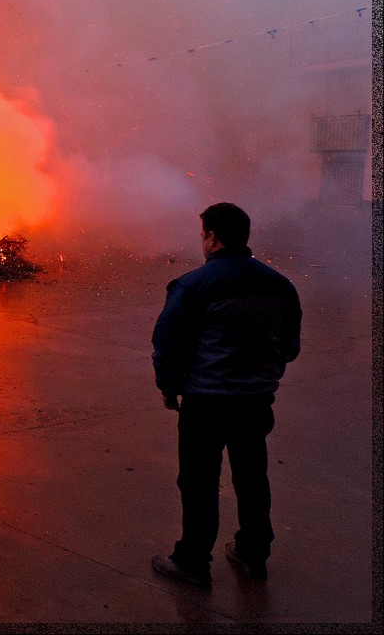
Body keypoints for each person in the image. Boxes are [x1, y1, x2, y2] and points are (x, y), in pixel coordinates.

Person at [151, 202, 301, 587]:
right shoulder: (280, 285)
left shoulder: (194, 285)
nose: (201, 240)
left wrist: (169, 387)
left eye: (203, 234)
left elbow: (168, 344)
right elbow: (290, 345)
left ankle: (192, 561)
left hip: (206, 403)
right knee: (252, 476)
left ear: (212, 238)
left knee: (199, 481)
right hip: (255, 402)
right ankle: (253, 552)